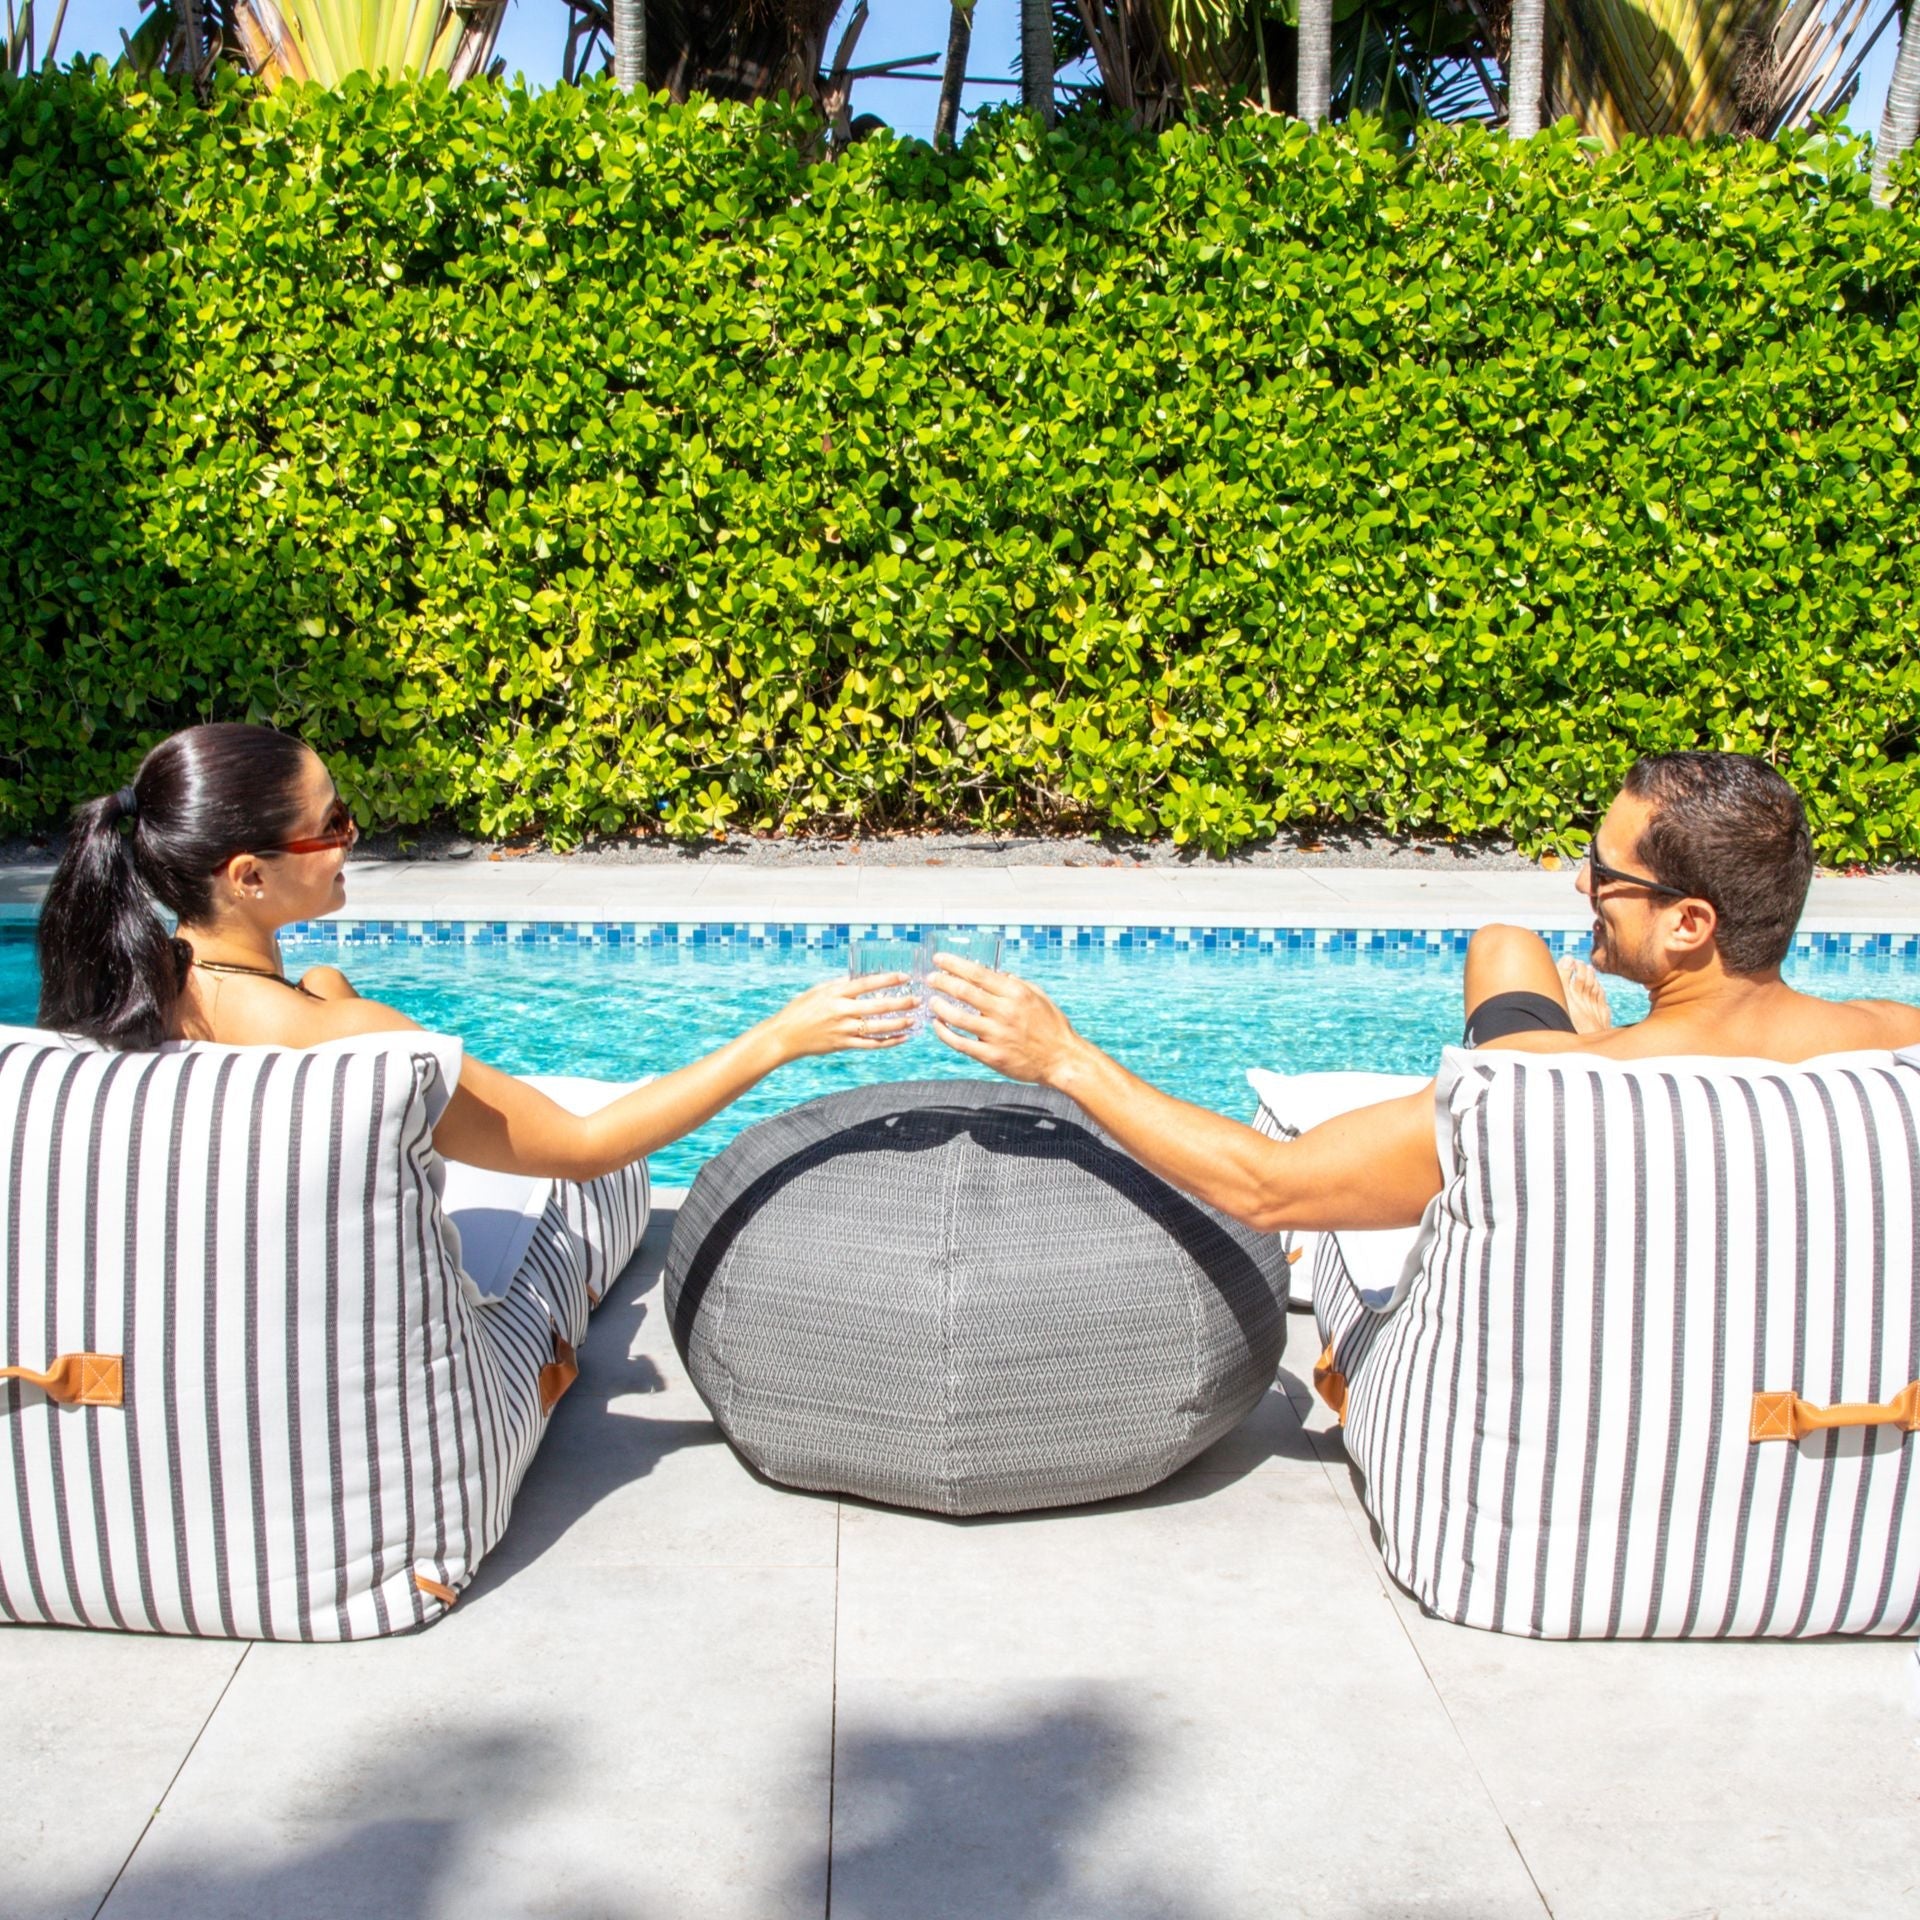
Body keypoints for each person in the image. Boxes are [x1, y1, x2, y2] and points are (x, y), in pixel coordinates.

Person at [926, 752, 1920, 1235]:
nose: (1583, 884)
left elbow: (1266, 1188)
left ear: (1689, 924)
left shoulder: (1534, 1094)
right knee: (1505, 947)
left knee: (1503, 959)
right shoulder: (1891, 1045)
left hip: (1591, 1077)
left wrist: (1060, 1055)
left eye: (1604, 873)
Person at [35, 724, 917, 1180]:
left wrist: (322, 993)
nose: (353, 835)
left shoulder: (129, 985)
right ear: (249, 877)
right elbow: (582, 1146)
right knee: (589, 1180)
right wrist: (782, 1036)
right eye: (332, 823)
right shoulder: (351, 1037)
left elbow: (289, 1018)